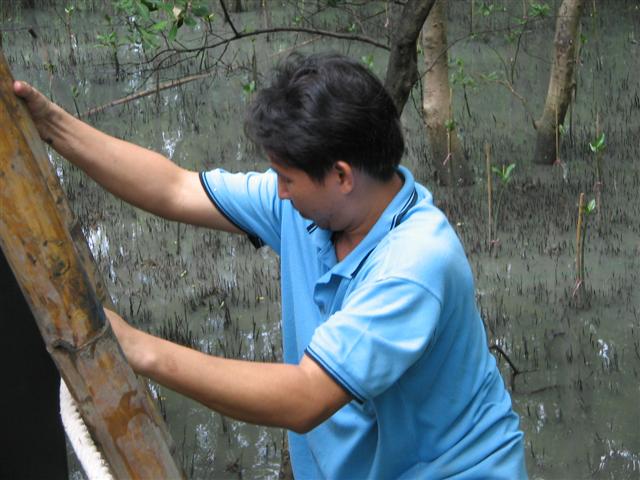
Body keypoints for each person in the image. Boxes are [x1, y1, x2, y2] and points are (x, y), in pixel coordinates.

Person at [14, 53, 527, 479]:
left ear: (342, 176)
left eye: (286, 178)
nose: (277, 191)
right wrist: (52, 126)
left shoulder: (414, 265)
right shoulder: (312, 209)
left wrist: (141, 350)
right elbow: (175, 188)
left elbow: (305, 397)